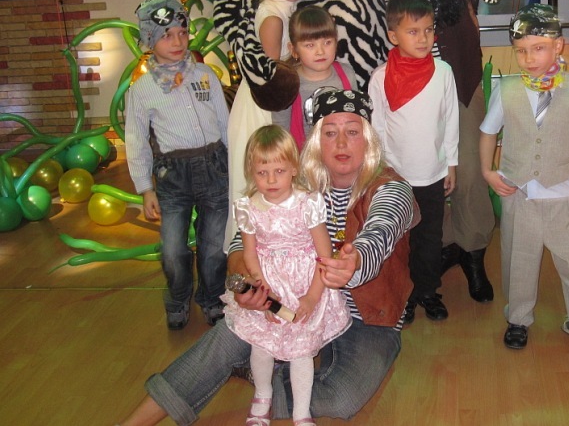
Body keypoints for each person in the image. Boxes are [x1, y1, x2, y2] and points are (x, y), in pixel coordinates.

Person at [118, 89, 418, 426]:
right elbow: (242, 240)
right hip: (289, 300)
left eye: (352, 131)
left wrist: (355, 261)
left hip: (367, 316)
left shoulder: (391, 189)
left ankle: (261, 373)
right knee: (226, 337)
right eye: (330, 132)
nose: (341, 143)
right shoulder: (293, 182)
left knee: (341, 398)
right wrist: (244, 281)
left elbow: (380, 234)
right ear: (316, 140)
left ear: (369, 138)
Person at [362, 0, 527, 304]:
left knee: (468, 171)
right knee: (407, 175)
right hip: (399, 85)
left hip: (454, 77)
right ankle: (418, 257)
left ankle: (472, 253)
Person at [479, 4, 569, 378]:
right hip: (518, 194)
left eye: (538, 48)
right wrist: (487, 171)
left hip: (560, 197)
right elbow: (488, 132)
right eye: (522, 50)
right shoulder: (507, 89)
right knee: (519, 261)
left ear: (558, 46)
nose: (529, 58)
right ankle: (518, 318)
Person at [224, 125, 351, 426]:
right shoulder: (248, 207)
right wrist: (263, 290)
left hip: (305, 284)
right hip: (270, 285)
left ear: (294, 169)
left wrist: (312, 297)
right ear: (251, 172)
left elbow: (325, 254)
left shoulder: (307, 203)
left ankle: (301, 413)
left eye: (279, 171)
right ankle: (262, 396)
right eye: (262, 173)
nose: (271, 180)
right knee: (262, 346)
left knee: (301, 351)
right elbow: (249, 253)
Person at [125, 0, 230, 330]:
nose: (177, 41)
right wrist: (145, 188)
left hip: (215, 168)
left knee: (214, 247)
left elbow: (225, 123)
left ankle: (212, 298)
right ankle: (178, 297)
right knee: (172, 249)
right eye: (166, 35)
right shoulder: (142, 90)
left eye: (182, 33)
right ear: (150, 40)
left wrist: (238, 168)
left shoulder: (205, 75)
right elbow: (136, 140)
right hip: (173, 176)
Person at [368, 0, 459, 323]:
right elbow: (377, 128)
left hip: (432, 174)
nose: (423, 38)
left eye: (429, 30)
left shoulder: (443, 72)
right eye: (413, 31)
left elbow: (450, 120)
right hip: (396, 177)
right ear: (393, 36)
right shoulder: (380, 78)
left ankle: (428, 291)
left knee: (430, 238)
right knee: (400, 241)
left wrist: (451, 164)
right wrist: (381, 171)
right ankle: (404, 295)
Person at [227, 0, 304, 244]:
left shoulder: (283, 8)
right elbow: (271, 78)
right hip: (263, 106)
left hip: (270, 100)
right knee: (265, 178)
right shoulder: (273, 18)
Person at [271, 6, 357, 150]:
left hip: (343, 153)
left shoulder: (347, 74)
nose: (320, 51)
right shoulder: (286, 84)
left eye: (327, 42)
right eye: (310, 45)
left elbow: (356, 120)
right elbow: (281, 132)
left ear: (336, 42)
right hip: (305, 159)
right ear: (294, 50)